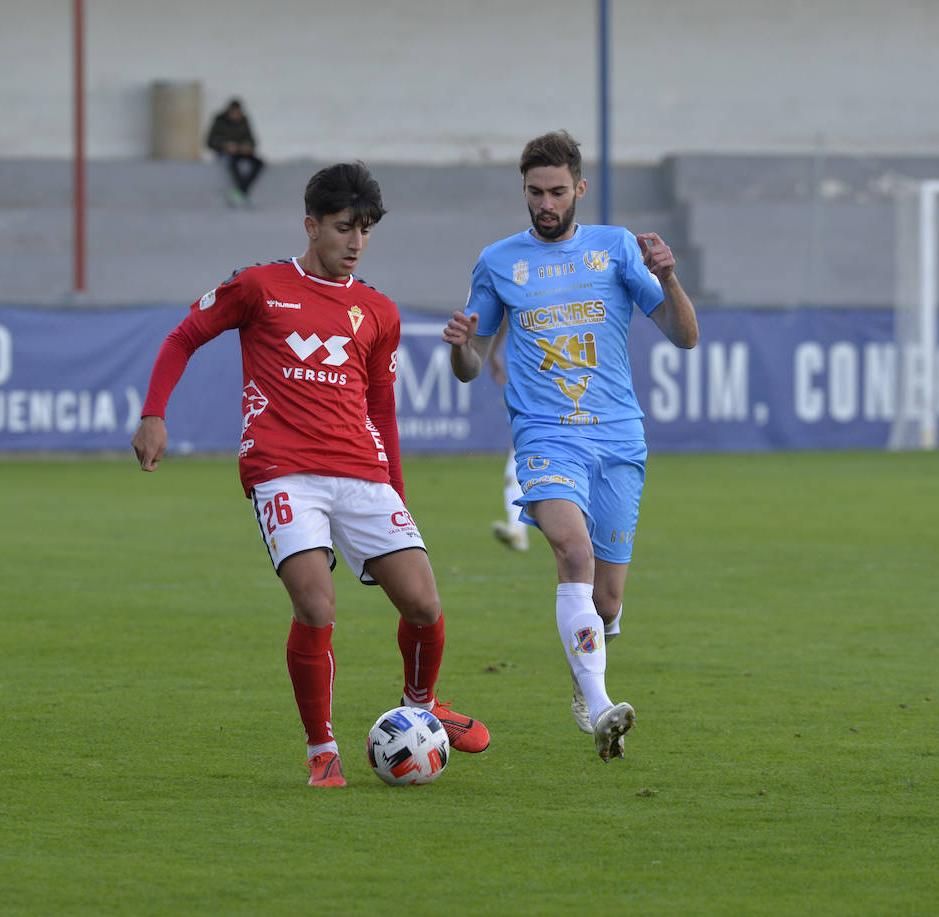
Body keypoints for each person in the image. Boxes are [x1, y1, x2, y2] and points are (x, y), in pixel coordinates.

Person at [132, 161, 490, 788]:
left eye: (366, 231)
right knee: (316, 605)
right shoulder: (260, 287)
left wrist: (395, 493)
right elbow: (183, 336)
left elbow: (382, 411)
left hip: (361, 472)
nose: (356, 243)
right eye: (344, 228)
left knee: (425, 604)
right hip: (283, 470)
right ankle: (322, 749)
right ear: (311, 225)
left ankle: (422, 704)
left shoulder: (379, 310)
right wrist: (154, 414)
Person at [443, 130, 698, 762]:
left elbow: (684, 335)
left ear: (579, 188)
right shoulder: (499, 261)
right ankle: (603, 705)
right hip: (545, 435)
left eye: (558, 191)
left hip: (617, 437)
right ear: (523, 191)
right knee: (571, 550)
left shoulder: (615, 248)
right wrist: (460, 346)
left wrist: (669, 279)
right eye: (535, 192)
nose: (546, 203)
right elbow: (470, 367)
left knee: (607, 600)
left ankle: (588, 683)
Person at [486, 322, 527, 552]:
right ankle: (517, 527)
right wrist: (493, 352)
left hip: (546, 372)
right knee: (518, 449)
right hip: (528, 374)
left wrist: (492, 352)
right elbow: (503, 313)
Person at [205, 98, 264, 207]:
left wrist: (248, 146)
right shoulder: (219, 120)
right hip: (226, 153)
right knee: (232, 165)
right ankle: (241, 194)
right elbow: (210, 142)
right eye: (233, 113)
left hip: (242, 152)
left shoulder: (244, 120)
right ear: (229, 111)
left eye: (237, 113)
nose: (235, 115)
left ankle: (240, 192)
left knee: (259, 163)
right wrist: (225, 145)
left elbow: (252, 140)